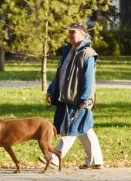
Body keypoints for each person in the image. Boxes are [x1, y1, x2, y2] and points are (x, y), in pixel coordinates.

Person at [40, 21, 104, 169]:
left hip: (78, 99)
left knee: (71, 128)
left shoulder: (88, 53)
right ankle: (96, 160)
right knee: (85, 128)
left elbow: (88, 79)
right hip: (67, 96)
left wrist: (84, 99)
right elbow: (59, 73)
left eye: (73, 32)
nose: (70, 34)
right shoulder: (68, 51)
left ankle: (55, 158)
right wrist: (51, 90)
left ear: (83, 34)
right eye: (69, 31)